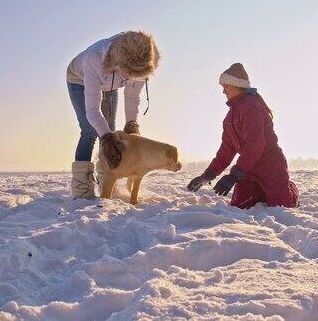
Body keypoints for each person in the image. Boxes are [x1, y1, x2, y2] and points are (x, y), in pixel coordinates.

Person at [187, 63, 299, 208]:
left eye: (226, 86)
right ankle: (263, 191)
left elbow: (255, 145)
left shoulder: (252, 107)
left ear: (236, 85)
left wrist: (235, 175)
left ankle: (288, 188)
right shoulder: (230, 116)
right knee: (241, 205)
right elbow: (226, 151)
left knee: (282, 206)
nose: (223, 91)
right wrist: (207, 175)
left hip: (270, 165)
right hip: (249, 169)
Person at [67, 31, 160, 199]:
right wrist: (106, 138)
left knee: (110, 129)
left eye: (135, 76)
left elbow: (132, 96)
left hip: (109, 83)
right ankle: (81, 189)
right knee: (91, 131)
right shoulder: (94, 59)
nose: (132, 79)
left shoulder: (145, 59)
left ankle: (107, 180)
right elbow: (93, 111)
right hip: (79, 80)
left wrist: (132, 123)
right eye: (129, 75)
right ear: (119, 64)